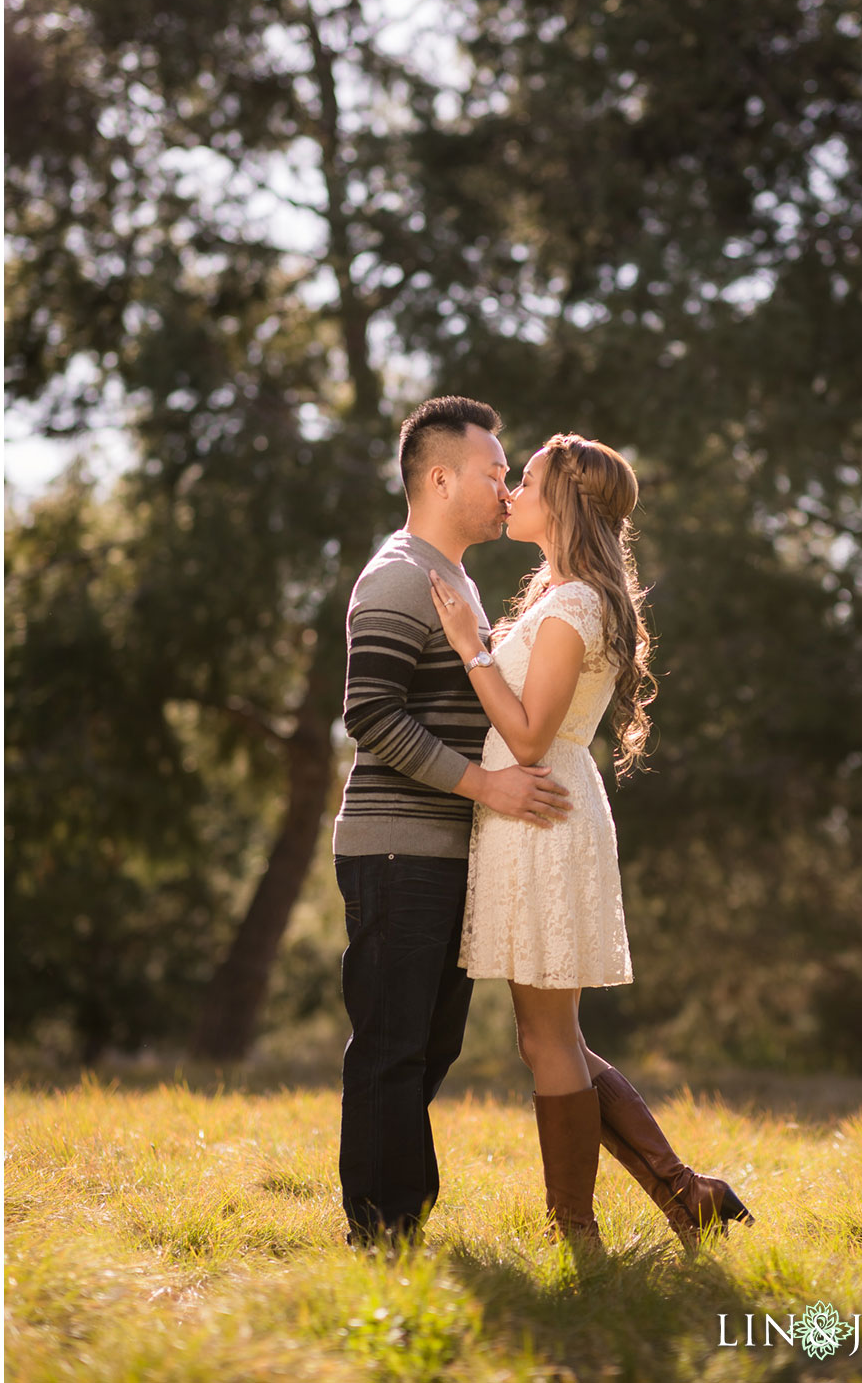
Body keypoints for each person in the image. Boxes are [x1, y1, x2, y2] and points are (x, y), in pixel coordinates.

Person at [431, 431, 754, 1250]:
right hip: (533, 811)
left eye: (526, 480)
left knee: (547, 1038)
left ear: (564, 500)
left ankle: (575, 1225)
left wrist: (471, 645)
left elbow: (532, 736)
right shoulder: (561, 593)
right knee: (550, 1036)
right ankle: (689, 1196)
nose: (512, 493)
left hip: (541, 808)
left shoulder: (575, 603)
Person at [332, 396, 573, 1248]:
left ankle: (398, 1213)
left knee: (428, 1045)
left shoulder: (456, 579)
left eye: (510, 474)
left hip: (444, 850)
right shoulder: (400, 575)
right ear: (439, 477)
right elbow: (370, 718)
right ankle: (383, 1230)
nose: (507, 487)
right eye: (493, 471)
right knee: (394, 1044)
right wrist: (489, 789)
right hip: (395, 847)